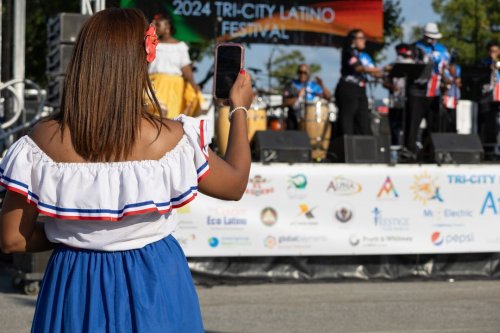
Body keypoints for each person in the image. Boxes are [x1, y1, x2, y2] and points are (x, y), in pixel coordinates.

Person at [0, 8, 253, 332]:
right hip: (156, 281)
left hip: (74, 282)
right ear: (141, 61)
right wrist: (240, 108)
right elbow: (234, 185)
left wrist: (68, 233)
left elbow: (11, 239)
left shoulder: (43, 139)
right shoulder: (170, 138)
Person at [147, 13, 204, 118]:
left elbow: (186, 68)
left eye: (158, 25)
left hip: (174, 88)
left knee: (170, 119)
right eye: (154, 24)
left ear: (168, 26)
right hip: (154, 85)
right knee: (154, 116)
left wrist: (194, 85)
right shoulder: (151, 43)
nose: (155, 27)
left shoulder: (180, 46)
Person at [405, 22, 449, 154]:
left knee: (434, 123)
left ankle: (430, 150)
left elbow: (445, 68)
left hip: (434, 92)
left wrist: (446, 80)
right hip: (417, 90)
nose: (432, 40)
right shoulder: (414, 48)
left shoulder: (442, 50)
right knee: (413, 122)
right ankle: (410, 150)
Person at [335, 29, 382, 136]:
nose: (364, 41)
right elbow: (358, 68)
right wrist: (380, 69)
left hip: (361, 90)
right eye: (361, 38)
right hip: (348, 89)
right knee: (347, 122)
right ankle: (346, 148)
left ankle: (364, 149)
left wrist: (388, 71)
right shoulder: (349, 52)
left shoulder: (365, 56)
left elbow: (374, 71)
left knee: (364, 122)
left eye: (364, 38)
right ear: (353, 40)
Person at [282, 64, 332, 130]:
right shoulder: (291, 85)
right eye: (300, 72)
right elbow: (284, 102)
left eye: (305, 73)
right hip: (295, 117)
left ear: (308, 74)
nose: (302, 75)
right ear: (297, 73)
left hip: (312, 119)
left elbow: (328, 97)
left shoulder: (314, 85)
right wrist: (298, 96)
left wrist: (322, 85)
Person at [383, 43, 415, 145]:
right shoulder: (392, 65)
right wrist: (392, 87)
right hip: (395, 99)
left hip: (409, 99)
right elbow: (385, 81)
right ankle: (395, 146)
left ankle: (408, 145)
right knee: (394, 125)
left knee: (408, 124)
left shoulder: (413, 65)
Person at [478, 41, 500, 143]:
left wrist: (496, 61)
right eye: (491, 51)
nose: (493, 53)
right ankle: (486, 144)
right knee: (486, 120)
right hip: (487, 94)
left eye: (495, 51)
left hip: (498, 93)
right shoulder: (484, 62)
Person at [441, 49, 461, 133]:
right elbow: (444, 80)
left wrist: (452, 67)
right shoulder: (442, 68)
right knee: (443, 116)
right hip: (445, 94)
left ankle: (452, 131)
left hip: (453, 95)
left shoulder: (457, 68)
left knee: (453, 116)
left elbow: (457, 80)